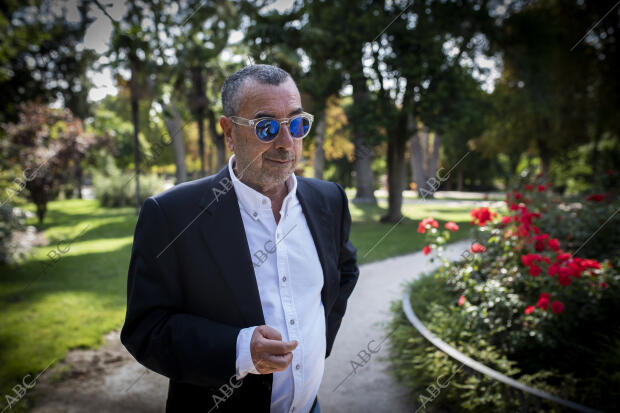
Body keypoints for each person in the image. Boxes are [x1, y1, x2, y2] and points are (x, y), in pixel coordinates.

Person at [120, 64, 359, 412]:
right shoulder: (173, 215)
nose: (286, 142)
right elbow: (146, 328)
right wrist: (239, 349)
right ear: (229, 132)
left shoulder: (329, 199)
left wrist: (316, 342)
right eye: (266, 127)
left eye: (296, 123)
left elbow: (345, 273)